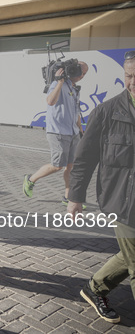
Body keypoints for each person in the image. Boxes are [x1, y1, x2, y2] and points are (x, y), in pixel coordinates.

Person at [67, 51, 135, 324]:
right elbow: (83, 159)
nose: (133, 82)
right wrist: (75, 198)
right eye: (129, 76)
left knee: (129, 252)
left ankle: (94, 288)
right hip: (121, 201)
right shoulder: (106, 113)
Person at [23, 62, 88, 205]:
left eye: (84, 74)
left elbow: (76, 111)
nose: (82, 76)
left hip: (73, 132)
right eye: (81, 72)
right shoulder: (58, 84)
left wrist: (80, 130)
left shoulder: (74, 88)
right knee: (57, 165)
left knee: (71, 167)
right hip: (58, 131)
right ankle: (30, 179)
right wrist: (59, 82)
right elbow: (50, 101)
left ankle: (68, 197)